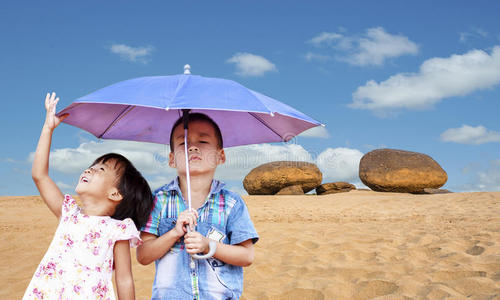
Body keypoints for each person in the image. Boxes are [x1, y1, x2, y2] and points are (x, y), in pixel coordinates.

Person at [23, 92, 154, 300]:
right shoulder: (68, 213)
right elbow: (39, 175)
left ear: (115, 194)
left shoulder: (117, 229)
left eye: (100, 169)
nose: (89, 170)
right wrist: (48, 129)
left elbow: (124, 279)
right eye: (91, 166)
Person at [137, 113, 259, 300]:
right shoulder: (158, 200)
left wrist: (208, 245)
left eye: (203, 141)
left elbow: (246, 256)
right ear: (171, 159)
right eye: (182, 143)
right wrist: (174, 233)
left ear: (221, 156)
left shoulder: (232, 203)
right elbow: (143, 255)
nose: (192, 147)